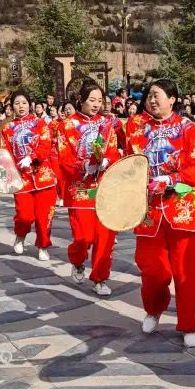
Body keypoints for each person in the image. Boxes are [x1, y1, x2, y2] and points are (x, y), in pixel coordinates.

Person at [127, 79, 195, 347]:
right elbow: (129, 164)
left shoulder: (187, 128)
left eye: (157, 95)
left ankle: (189, 324)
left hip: (182, 210)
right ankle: (153, 309)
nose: (152, 100)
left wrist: (173, 180)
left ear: (172, 99)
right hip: (149, 211)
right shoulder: (138, 128)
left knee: (188, 273)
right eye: (149, 95)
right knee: (153, 269)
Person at [55, 80, 121, 295]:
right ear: (81, 100)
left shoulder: (107, 124)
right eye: (92, 100)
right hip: (80, 188)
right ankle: (77, 259)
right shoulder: (67, 125)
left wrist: (106, 161)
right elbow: (64, 157)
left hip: (103, 186)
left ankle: (100, 278)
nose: (96, 104)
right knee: (83, 237)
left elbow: (113, 151)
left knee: (105, 236)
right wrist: (83, 165)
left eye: (100, 100)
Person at [2, 90, 58, 259]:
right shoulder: (7, 128)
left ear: (30, 105)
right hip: (21, 178)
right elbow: (5, 152)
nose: (21, 106)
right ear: (12, 106)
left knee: (44, 215)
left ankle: (43, 245)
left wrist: (32, 156)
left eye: (24, 103)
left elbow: (45, 144)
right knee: (24, 215)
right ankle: (20, 234)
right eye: (17, 103)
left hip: (43, 176)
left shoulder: (40, 123)